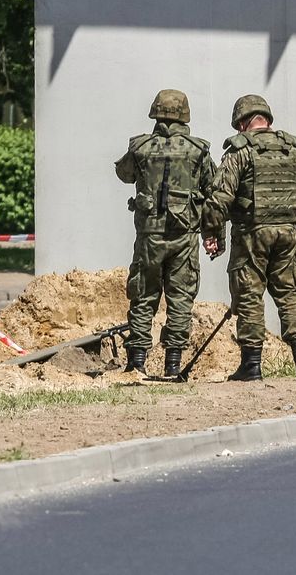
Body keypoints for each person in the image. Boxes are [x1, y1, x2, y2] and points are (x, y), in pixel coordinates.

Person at [202, 94, 296, 382]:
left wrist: (212, 232)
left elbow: (219, 198)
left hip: (252, 234)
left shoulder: (239, 150)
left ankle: (252, 366)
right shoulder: (292, 149)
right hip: (286, 233)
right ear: (267, 119)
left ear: (241, 123)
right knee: (289, 293)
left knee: (250, 296)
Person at [114, 89, 217, 376]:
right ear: (185, 115)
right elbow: (214, 188)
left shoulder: (141, 147)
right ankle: (173, 366)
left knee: (144, 296)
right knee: (181, 297)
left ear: (155, 112)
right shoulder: (198, 150)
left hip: (149, 236)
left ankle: (136, 364)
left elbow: (124, 174)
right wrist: (213, 231)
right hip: (184, 237)